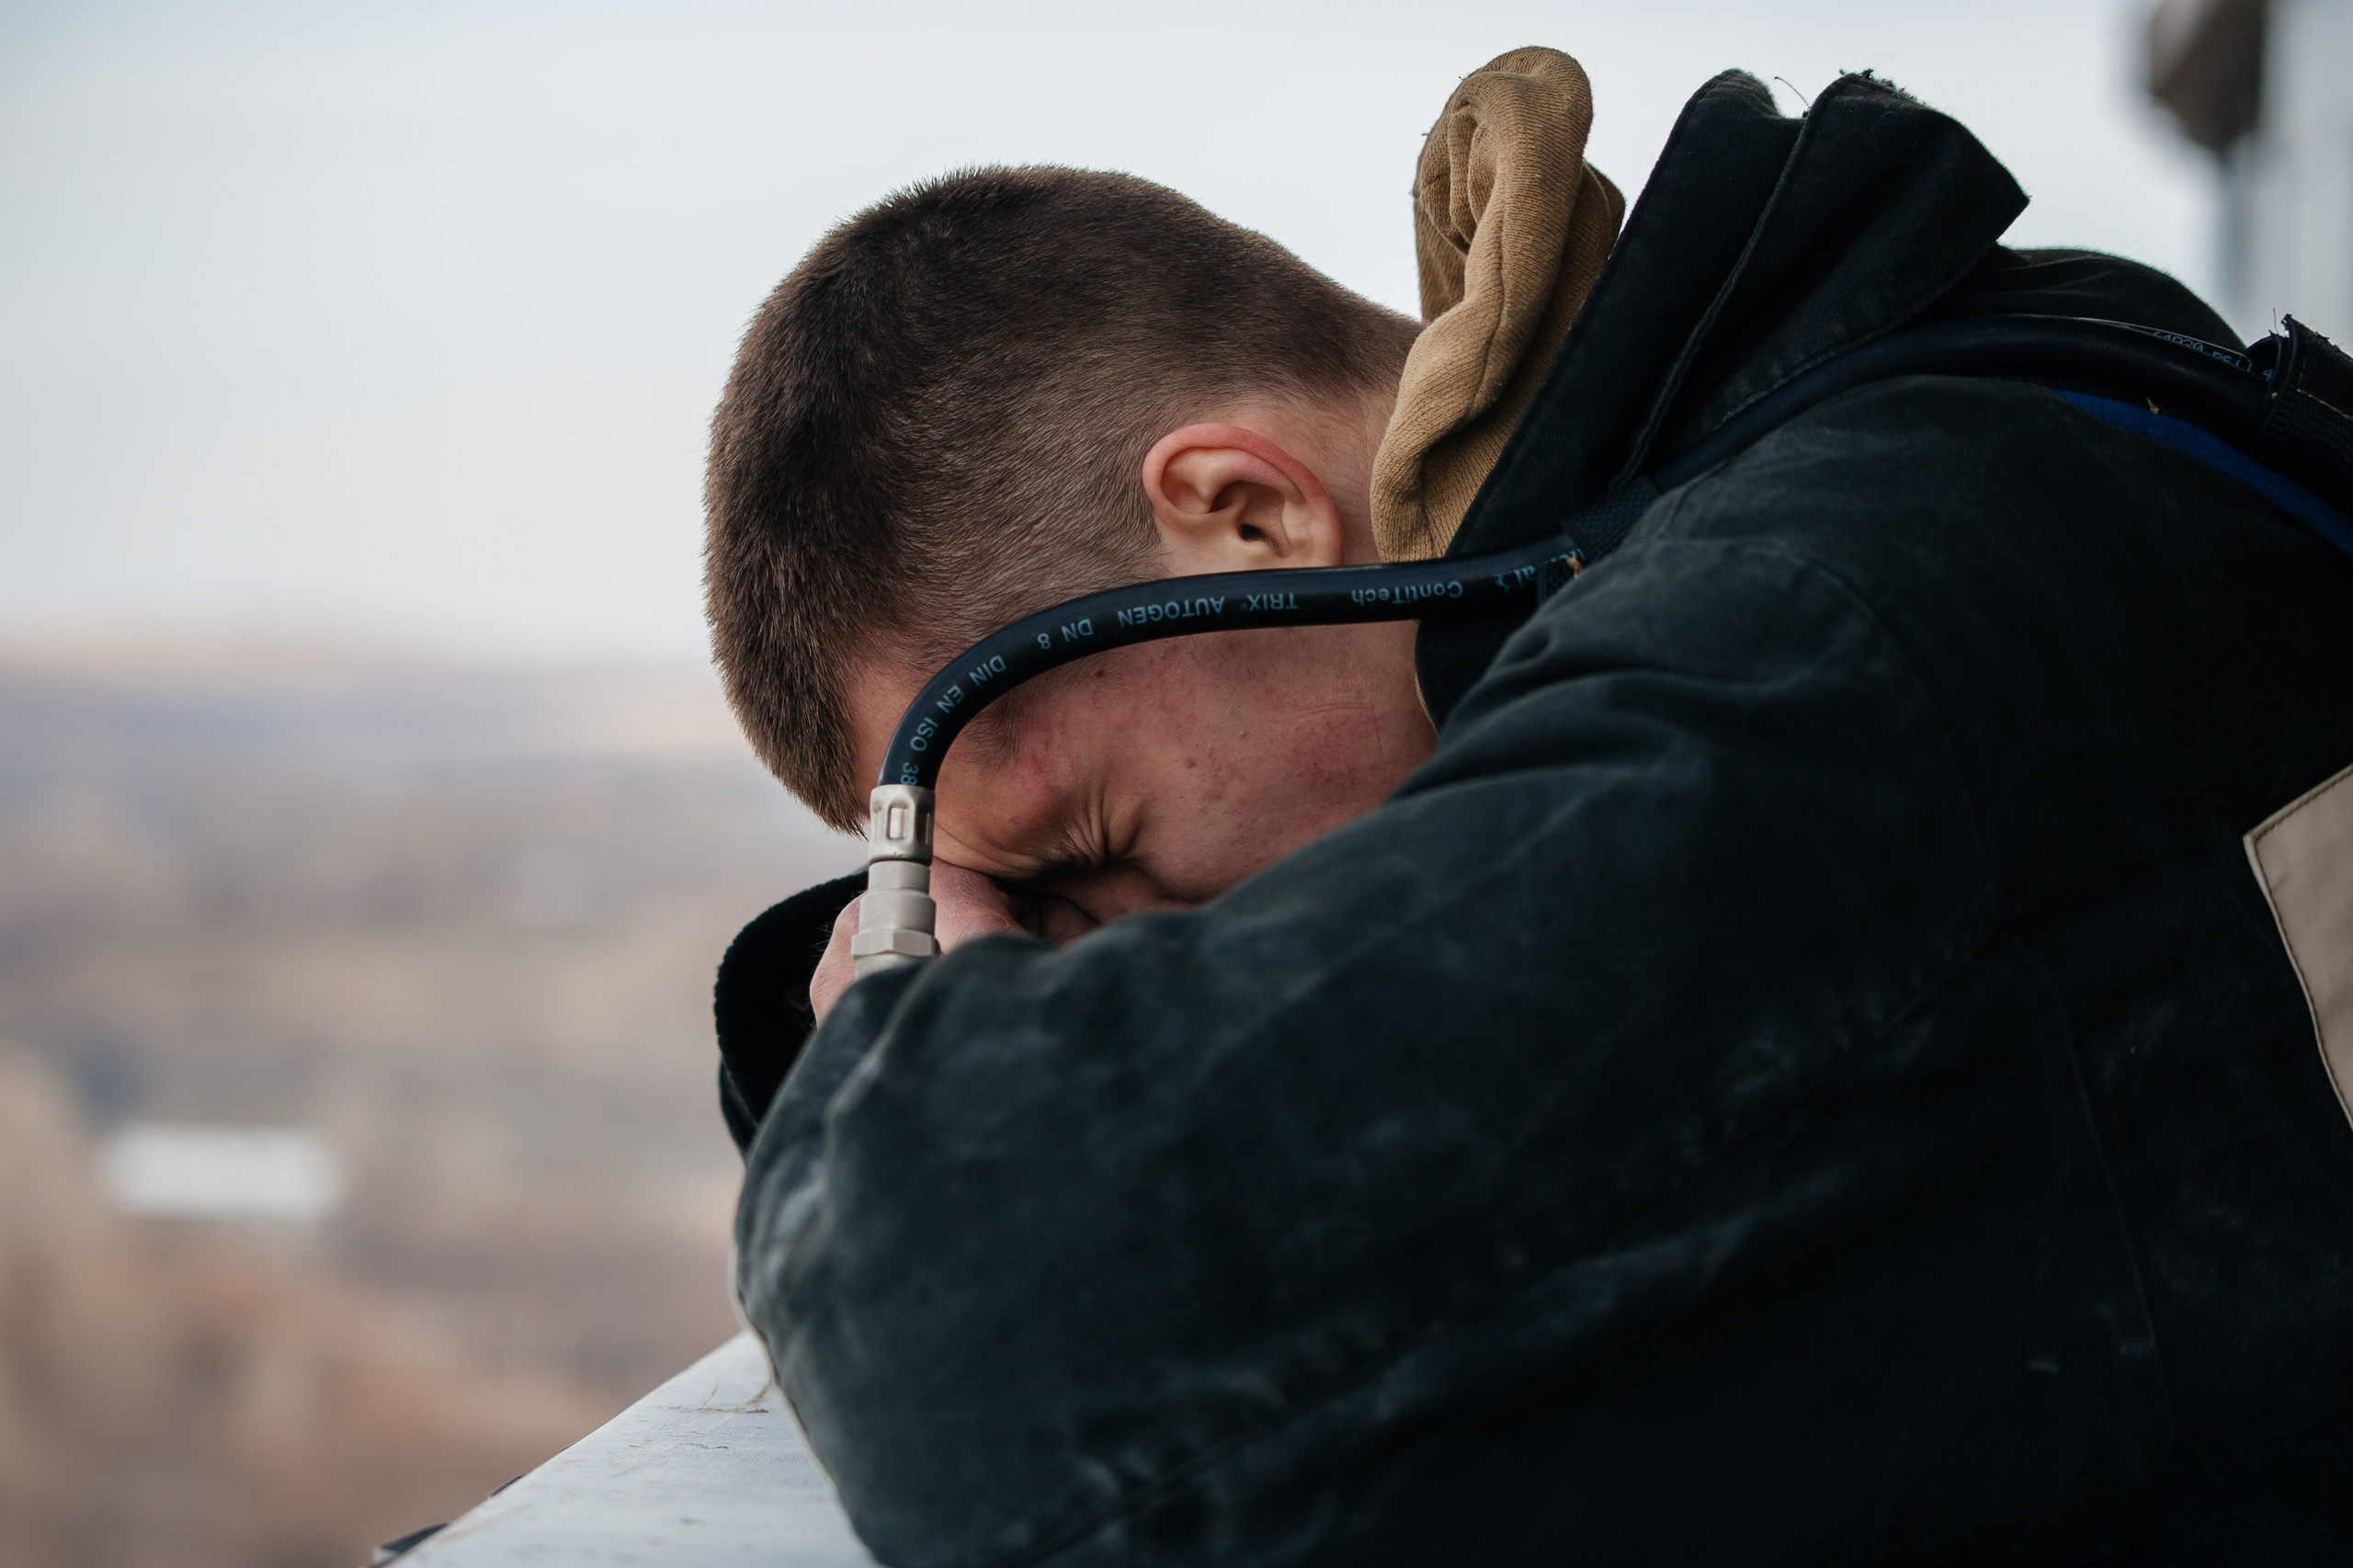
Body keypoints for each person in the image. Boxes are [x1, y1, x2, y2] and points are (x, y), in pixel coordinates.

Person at [703, 51, 2353, 1567]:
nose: (1117, 958)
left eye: (1095, 852)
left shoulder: (1814, 637)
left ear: (1247, 517)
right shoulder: (1858, 442)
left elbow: (979, 1363)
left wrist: (906, 1039)